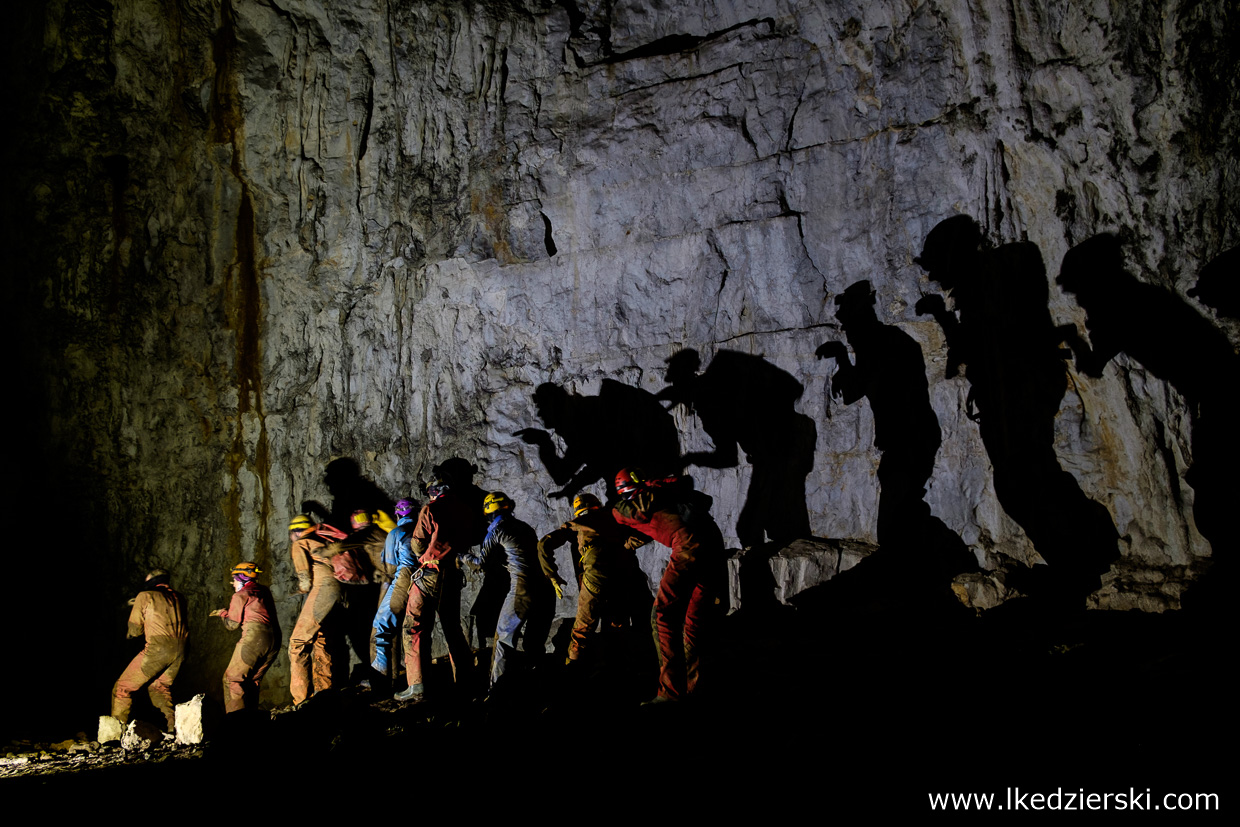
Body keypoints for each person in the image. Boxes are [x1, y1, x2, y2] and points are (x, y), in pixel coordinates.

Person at [611, 469, 725, 703]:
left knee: (662, 616)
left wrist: (616, 511)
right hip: (711, 549)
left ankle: (670, 694)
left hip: (688, 548)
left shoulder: (636, 503)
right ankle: (694, 686)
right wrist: (630, 543)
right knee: (693, 620)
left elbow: (635, 514)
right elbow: (661, 523)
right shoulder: (667, 493)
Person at [460, 492, 555, 693]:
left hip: (522, 586)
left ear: (488, 513)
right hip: (545, 588)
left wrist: (462, 555)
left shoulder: (495, 530)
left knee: (503, 637)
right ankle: (541, 688)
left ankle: (496, 691)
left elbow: (480, 564)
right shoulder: (525, 527)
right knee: (534, 643)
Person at [538, 493, 649, 664]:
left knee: (582, 629)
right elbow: (641, 534)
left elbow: (544, 544)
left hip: (595, 575)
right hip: (622, 576)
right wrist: (625, 546)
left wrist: (552, 575)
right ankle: (615, 668)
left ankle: (573, 670)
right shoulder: (614, 519)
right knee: (616, 624)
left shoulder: (579, 522)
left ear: (578, 510)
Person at [395, 475, 476, 702]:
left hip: (429, 574)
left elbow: (418, 543)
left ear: (435, 491)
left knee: (414, 627)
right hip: (452, 573)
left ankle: (418, 685)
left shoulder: (431, 509)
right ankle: (464, 683)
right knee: (452, 629)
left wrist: (422, 552)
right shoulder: (466, 510)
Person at [112, 569, 188, 730]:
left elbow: (135, 630)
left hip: (158, 649)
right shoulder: (178, 597)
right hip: (181, 650)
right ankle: (173, 727)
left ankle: (114, 734)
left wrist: (136, 607)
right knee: (159, 688)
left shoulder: (144, 596)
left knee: (122, 687)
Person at [287, 514, 346, 705]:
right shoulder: (321, 541)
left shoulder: (300, 544)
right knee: (321, 639)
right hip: (336, 590)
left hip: (323, 589)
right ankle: (324, 694)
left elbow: (305, 580)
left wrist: (300, 588)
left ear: (295, 532)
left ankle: (301, 701)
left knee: (297, 643)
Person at [211, 562, 281, 714]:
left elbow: (232, 625)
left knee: (233, 679)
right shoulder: (264, 591)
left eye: (234, 579)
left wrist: (223, 613)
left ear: (241, 578)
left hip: (255, 638)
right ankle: (251, 722)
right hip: (275, 639)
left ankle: (236, 725)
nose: (233, 583)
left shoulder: (241, 595)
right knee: (252, 681)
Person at [371, 497, 419, 681]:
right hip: (425, 580)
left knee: (381, 625)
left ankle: (380, 676)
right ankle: (417, 679)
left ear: (398, 513)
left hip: (403, 580)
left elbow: (390, 568)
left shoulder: (396, 532)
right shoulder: (422, 530)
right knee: (416, 629)